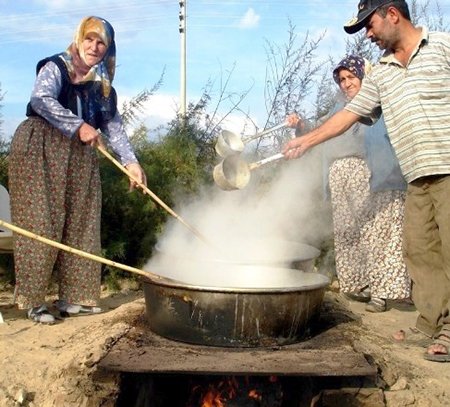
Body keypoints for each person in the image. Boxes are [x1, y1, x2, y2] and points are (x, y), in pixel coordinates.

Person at [283, 0, 450, 362]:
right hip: (416, 175)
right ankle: (434, 322)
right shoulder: (381, 73)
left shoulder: (442, 46)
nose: (368, 35)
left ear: (392, 14)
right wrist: (306, 140)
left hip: (448, 167)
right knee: (421, 253)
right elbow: (349, 115)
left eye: (369, 25)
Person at [8, 16, 147, 324]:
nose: (94, 47)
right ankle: (34, 302)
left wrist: (131, 164)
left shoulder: (103, 86)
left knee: (83, 221)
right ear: (79, 38)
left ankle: (75, 299)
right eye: (89, 39)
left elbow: (114, 127)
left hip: (81, 154)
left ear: (108, 49)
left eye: (101, 43)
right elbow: (40, 99)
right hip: (40, 146)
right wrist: (78, 125)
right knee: (41, 221)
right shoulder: (56, 67)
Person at [321, 54, 410, 313]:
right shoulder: (339, 109)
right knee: (348, 230)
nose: (346, 83)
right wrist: (301, 127)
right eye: (341, 79)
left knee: (376, 231)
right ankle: (359, 284)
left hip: (370, 171)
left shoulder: (380, 102)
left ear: (364, 76)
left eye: (351, 77)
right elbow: (321, 132)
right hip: (339, 173)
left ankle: (383, 293)